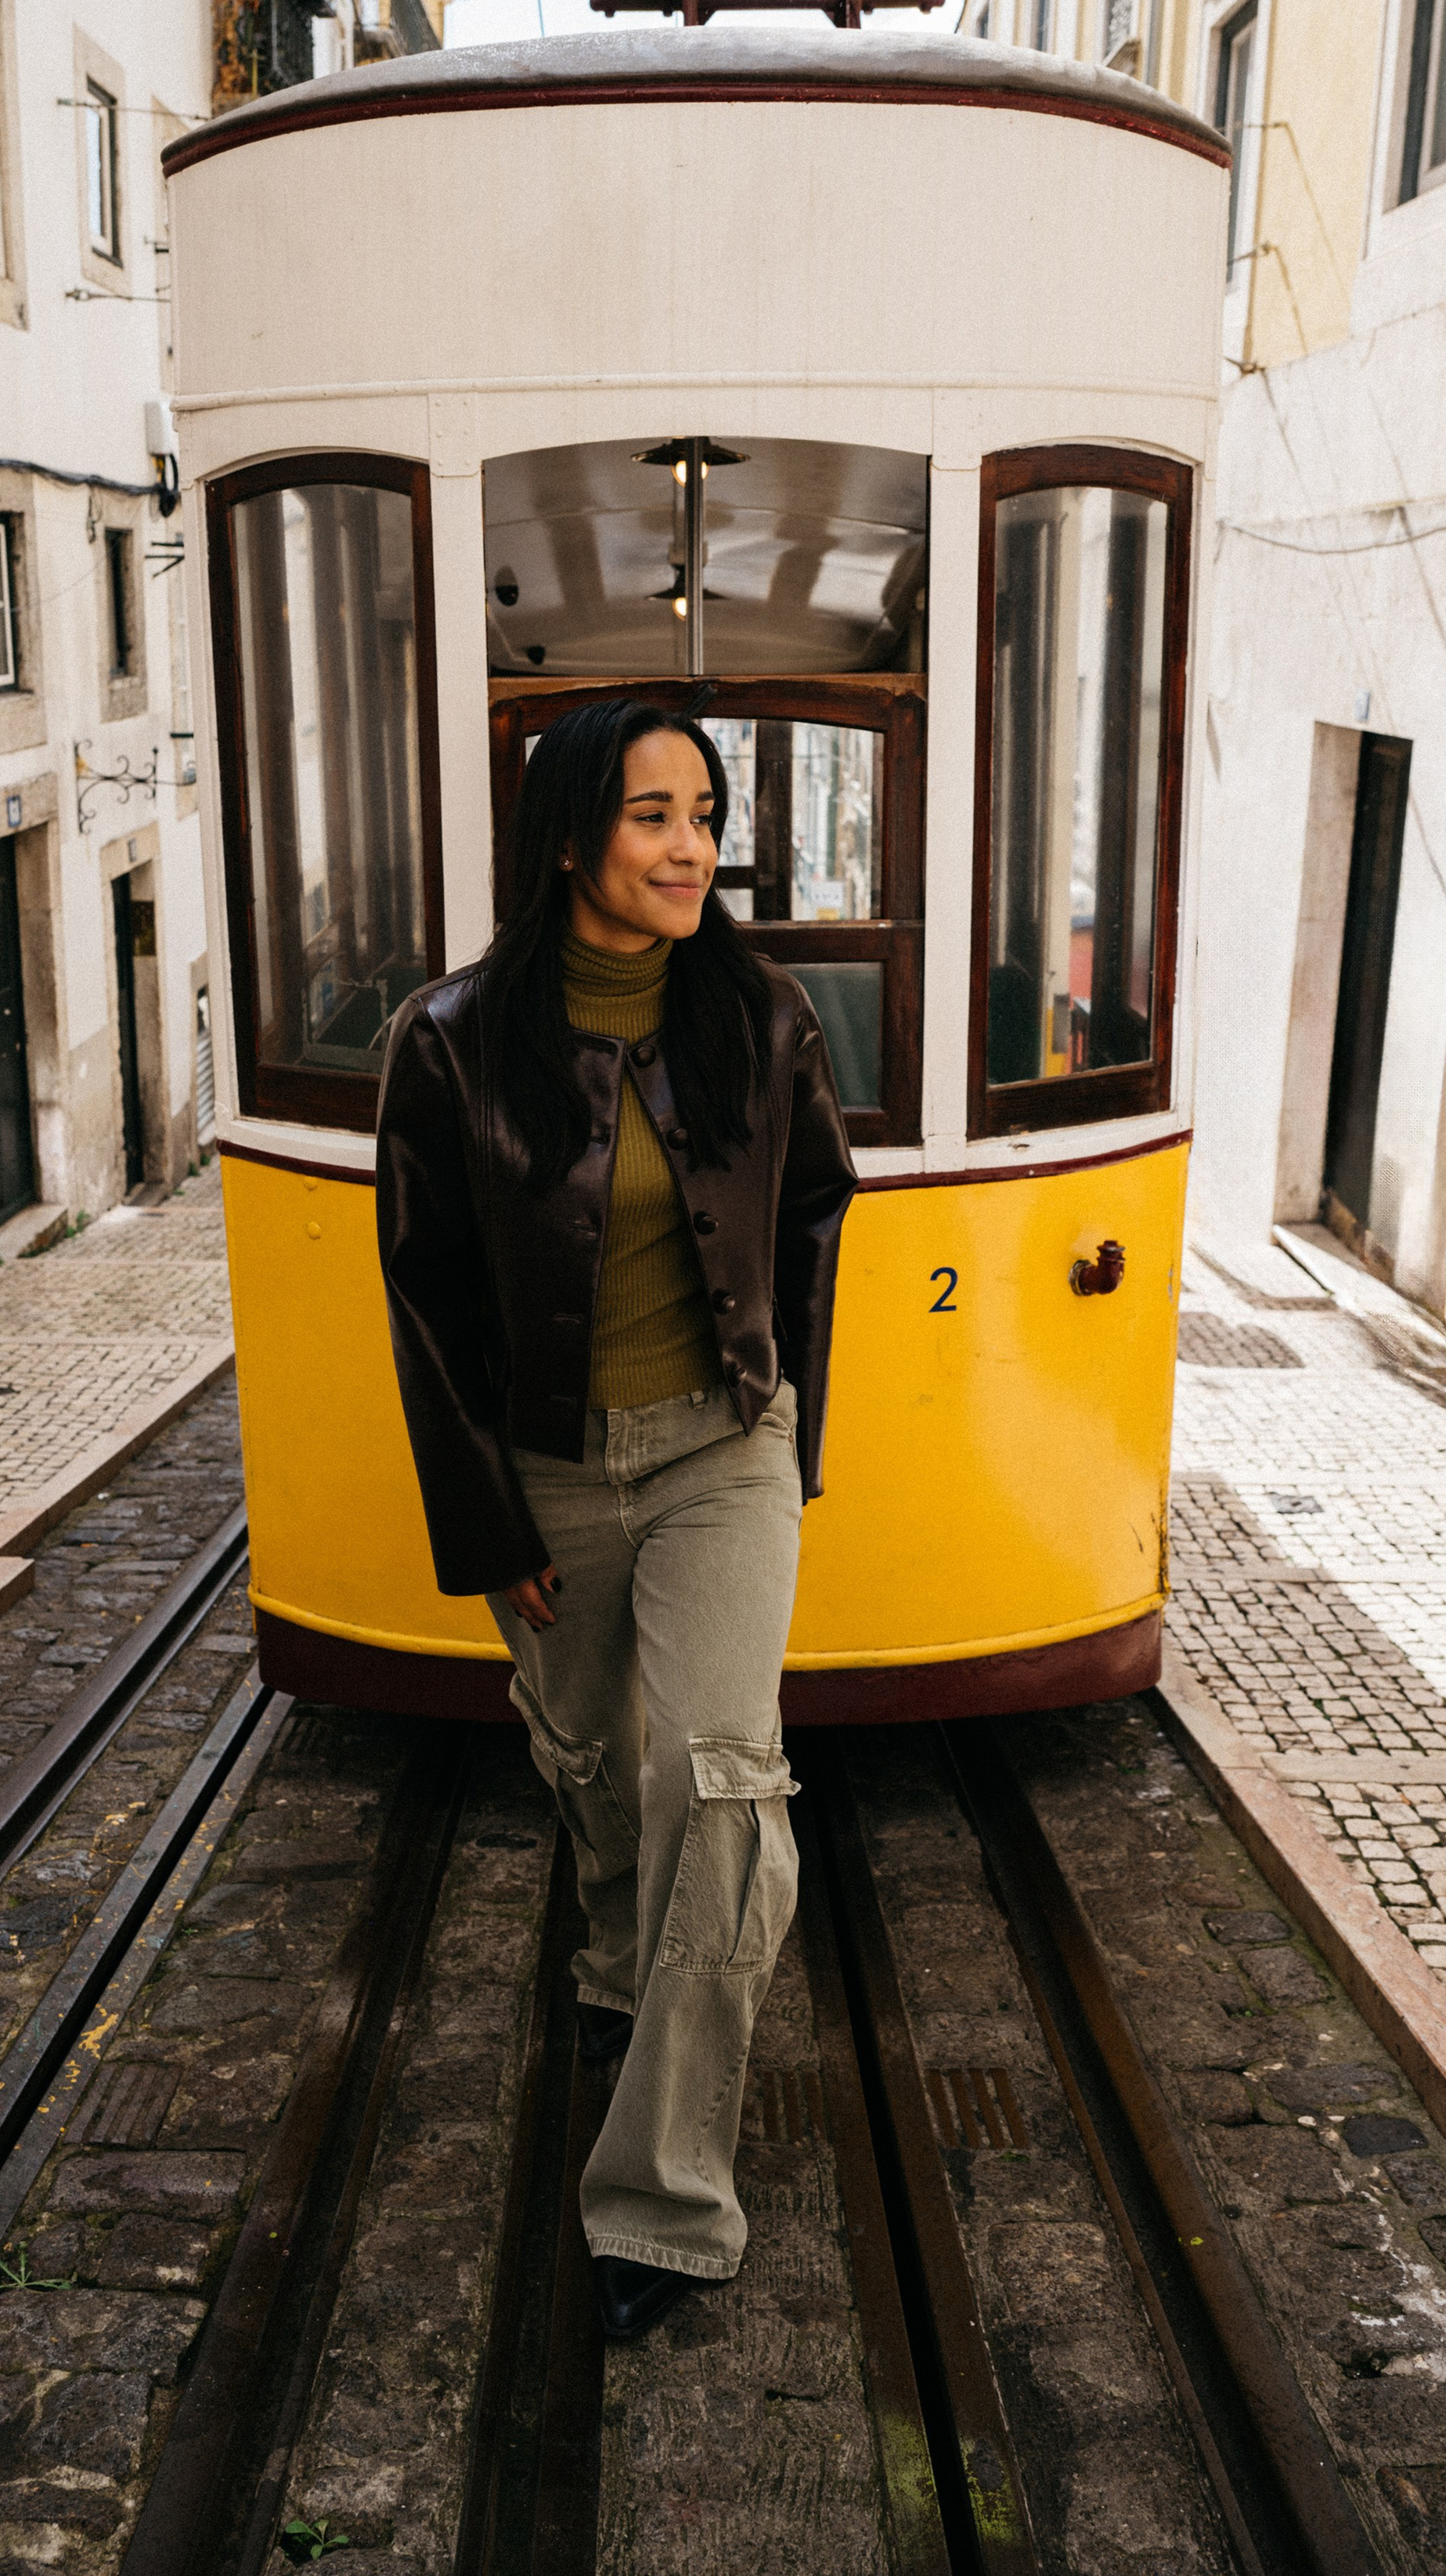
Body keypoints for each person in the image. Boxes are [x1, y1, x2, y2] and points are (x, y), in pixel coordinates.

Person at [375, 695, 855, 2340]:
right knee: (591, 1759)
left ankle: (658, 2194)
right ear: (574, 833)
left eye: (704, 813)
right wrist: (478, 1510)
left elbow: (810, 1212)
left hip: (720, 1446)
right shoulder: (447, 1038)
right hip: (548, 1465)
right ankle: (602, 1961)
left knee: (719, 1790)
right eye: (654, 814)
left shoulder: (760, 1011)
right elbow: (422, 1291)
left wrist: (784, 1432)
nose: (689, 846)